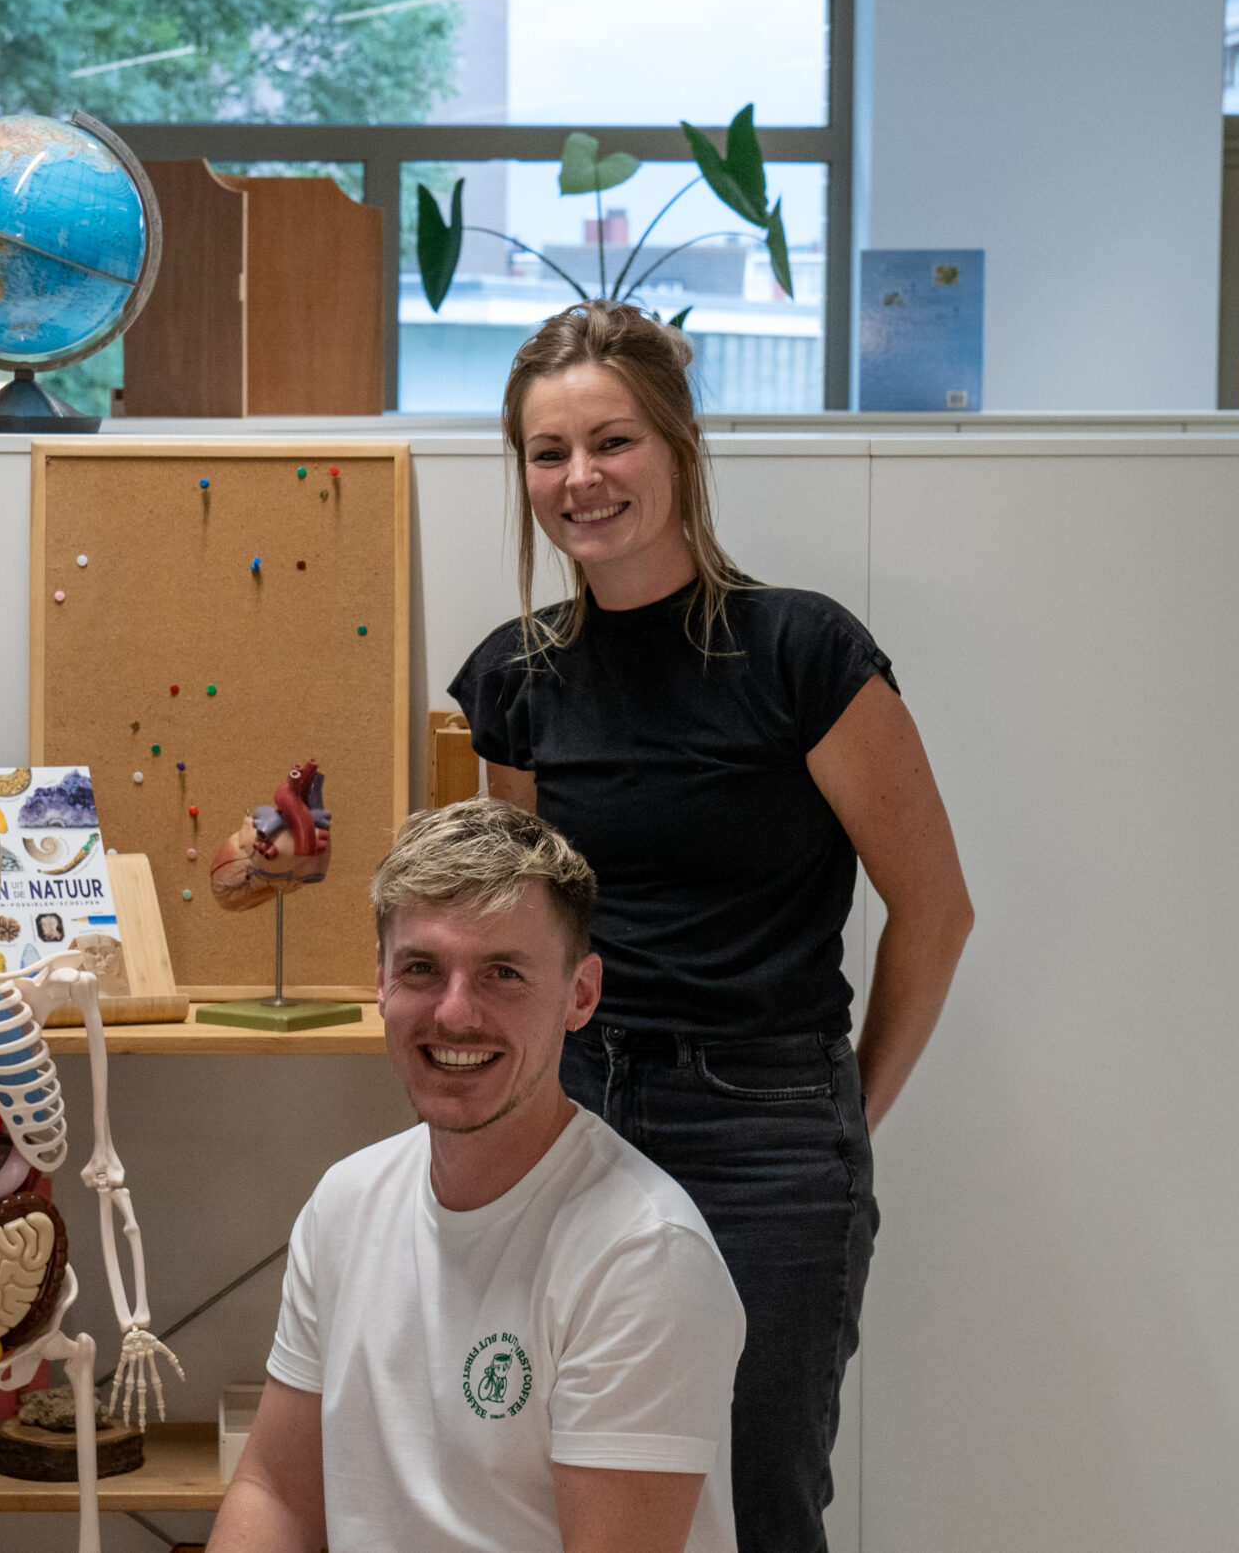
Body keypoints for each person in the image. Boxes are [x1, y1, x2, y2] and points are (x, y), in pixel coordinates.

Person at [447, 301, 976, 1553]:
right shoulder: (515, 678)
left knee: (757, 1502)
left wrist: (844, 1113)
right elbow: (518, 936)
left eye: (611, 441)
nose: (580, 478)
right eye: (547, 452)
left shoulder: (802, 654)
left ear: (677, 445)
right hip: (570, 1112)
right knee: (553, 1489)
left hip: (766, 1131)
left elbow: (935, 908)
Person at [212, 801, 744, 1553]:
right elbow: (277, 1495)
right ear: (380, 982)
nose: (456, 1014)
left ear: (580, 995)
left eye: (503, 973)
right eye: (421, 969)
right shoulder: (346, 1205)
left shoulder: (643, 1256)